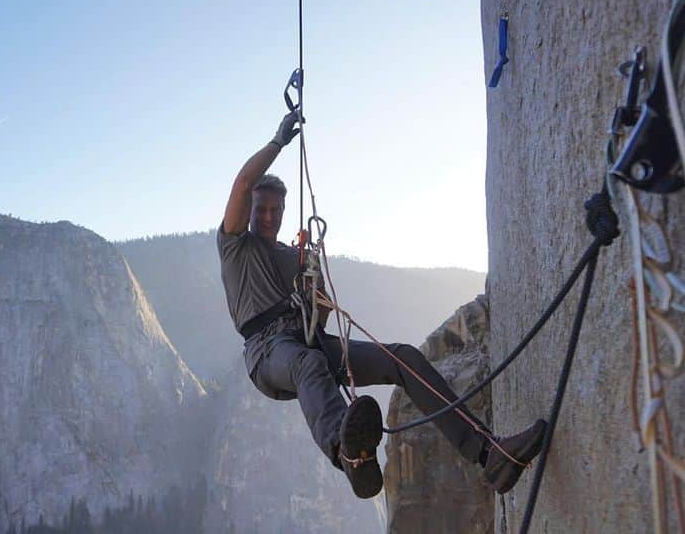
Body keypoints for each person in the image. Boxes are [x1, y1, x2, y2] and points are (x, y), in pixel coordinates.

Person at [217, 109, 547, 498]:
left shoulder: (294, 257)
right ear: (250, 214)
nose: (269, 217)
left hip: (306, 342)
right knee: (308, 364)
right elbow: (242, 183)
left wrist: (314, 277)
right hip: (267, 351)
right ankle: (348, 454)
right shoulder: (236, 245)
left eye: (275, 210)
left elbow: (319, 321)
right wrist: (278, 141)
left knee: (402, 359)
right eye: (261, 210)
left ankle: (487, 453)